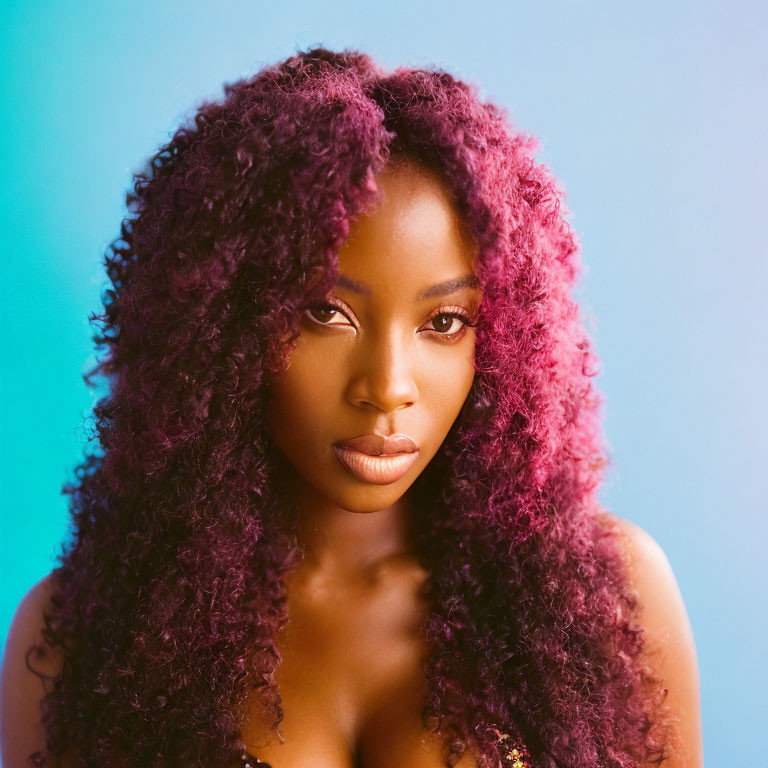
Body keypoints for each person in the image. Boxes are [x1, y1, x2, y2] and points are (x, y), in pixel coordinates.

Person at [1, 47, 702, 768]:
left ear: (504, 343)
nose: (388, 386)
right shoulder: (77, 637)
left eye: (445, 323)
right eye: (325, 314)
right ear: (223, 321)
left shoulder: (613, 603)